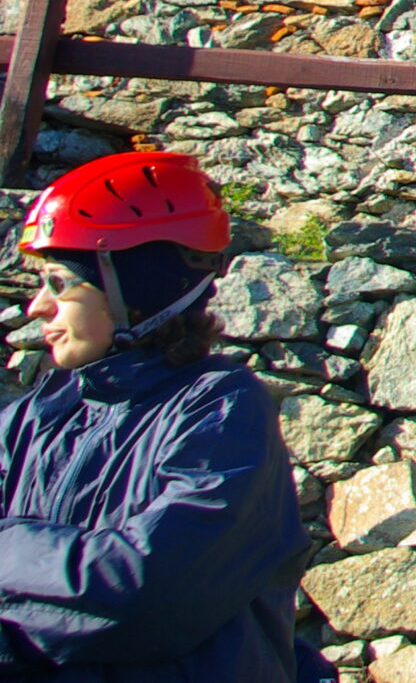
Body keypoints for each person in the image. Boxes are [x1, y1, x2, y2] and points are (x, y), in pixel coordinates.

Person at [2, 150, 328, 683]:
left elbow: (146, 595)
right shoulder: (35, 416)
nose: (37, 306)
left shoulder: (222, 409)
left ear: (132, 288)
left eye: (59, 282)